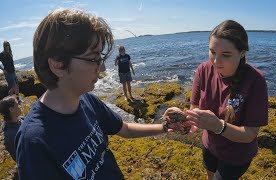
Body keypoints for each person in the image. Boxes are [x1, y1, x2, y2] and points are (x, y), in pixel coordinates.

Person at [15, 8, 179, 180]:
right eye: (93, 58)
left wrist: (165, 127)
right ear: (58, 65)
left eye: (101, 58)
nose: (102, 68)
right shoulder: (34, 142)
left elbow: (125, 129)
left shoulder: (88, 101)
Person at [185, 20, 268, 180]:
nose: (216, 61)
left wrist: (218, 126)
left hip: (236, 156)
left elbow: (250, 134)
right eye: (212, 52)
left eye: (226, 55)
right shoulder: (203, 69)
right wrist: (183, 118)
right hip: (209, 145)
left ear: (242, 52)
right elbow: (194, 107)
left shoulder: (255, 80)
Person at [0, 95, 23, 161]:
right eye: (17, 105)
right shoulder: (9, 135)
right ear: (11, 109)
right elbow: (17, 157)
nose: (20, 106)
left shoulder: (21, 119)